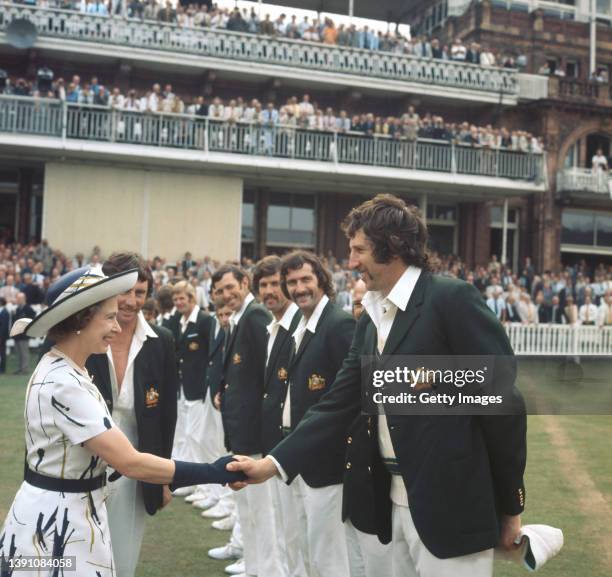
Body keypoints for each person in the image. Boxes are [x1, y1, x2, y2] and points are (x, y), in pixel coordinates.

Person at [228, 194, 527, 577]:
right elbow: (338, 402)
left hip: (451, 505)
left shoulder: (451, 299)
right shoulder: (370, 320)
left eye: (359, 250)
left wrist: (510, 506)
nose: (351, 262)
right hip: (384, 503)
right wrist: (272, 463)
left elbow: (503, 403)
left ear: (395, 246)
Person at [0, 265, 244, 577]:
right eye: (109, 317)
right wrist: (215, 471)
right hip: (57, 527)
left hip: (62, 515)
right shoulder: (64, 383)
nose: (117, 328)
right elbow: (131, 463)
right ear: (80, 319)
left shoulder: (62, 368)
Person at [85, 252, 178, 577]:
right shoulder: (83, 334)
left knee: (123, 559)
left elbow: (167, 416)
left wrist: (165, 477)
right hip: (85, 463)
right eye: (125, 291)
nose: (131, 301)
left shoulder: (161, 341)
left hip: (136, 467)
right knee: (81, 554)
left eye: (140, 293)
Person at [272, 250, 355, 577]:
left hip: (328, 464)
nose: (299, 287)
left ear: (322, 280)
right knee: (302, 551)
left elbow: (349, 399)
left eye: (305, 279)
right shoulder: (300, 324)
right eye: (291, 282)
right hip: (296, 458)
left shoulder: (339, 324)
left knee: (328, 558)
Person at [211, 264, 278, 577]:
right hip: (240, 431)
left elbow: (270, 371)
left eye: (230, 287)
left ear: (245, 282)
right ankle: (254, 565)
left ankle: (264, 569)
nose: (227, 295)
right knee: (249, 509)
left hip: (253, 434)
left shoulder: (255, 315)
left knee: (261, 511)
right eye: (221, 291)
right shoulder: (241, 318)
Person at [256, 256, 303, 577]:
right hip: (276, 443)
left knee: (301, 535)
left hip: (299, 445)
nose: (270, 291)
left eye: (275, 283)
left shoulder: (300, 325)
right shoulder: (271, 328)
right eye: (263, 285)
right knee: (285, 526)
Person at [11, 292, 35, 374]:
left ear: (23, 299)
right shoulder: (17, 309)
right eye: (17, 298)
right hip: (17, 335)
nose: (17, 300)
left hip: (24, 335)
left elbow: (32, 320)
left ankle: (24, 369)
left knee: (24, 352)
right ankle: (19, 368)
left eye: (19, 298)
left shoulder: (28, 309)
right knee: (18, 353)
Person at [0, 297, 9, 373]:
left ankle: (3, 369)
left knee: (2, 352)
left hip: (2, 336)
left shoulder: (5, 312)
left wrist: (1, 336)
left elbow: (4, 326)